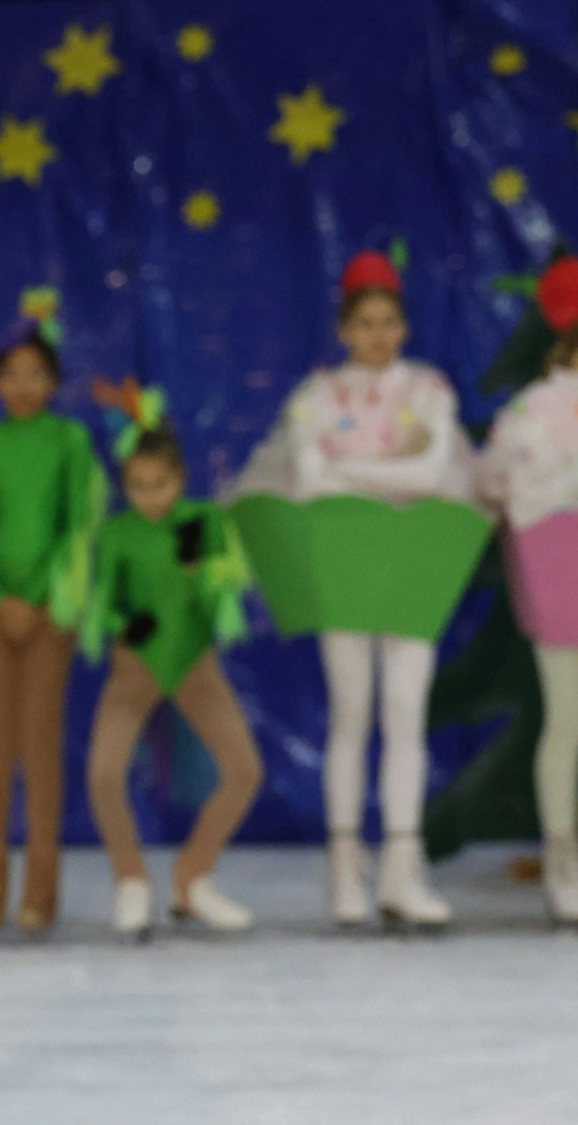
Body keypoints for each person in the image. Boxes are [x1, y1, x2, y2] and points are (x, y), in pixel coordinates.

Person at [230, 251, 480, 929]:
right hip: (343, 568)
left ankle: (403, 866)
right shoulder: (318, 395)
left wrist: (354, 471)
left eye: (389, 321)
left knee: (405, 711)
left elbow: (433, 474)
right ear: (345, 327)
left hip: (411, 568)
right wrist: (388, 471)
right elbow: (307, 478)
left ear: (403, 325)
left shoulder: (429, 390)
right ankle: (346, 866)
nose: (378, 335)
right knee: (352, 711)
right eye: (364, 322)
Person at [0, 319, 106, 933]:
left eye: (37, 373)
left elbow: (77, 522)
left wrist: (35, 596)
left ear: (55, 381)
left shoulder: (70, 441)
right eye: (12, 373)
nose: (24, 384)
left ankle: (41, 894)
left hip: (50, 611)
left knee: (40, 748)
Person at [81, 381, 264, 938]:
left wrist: (200, 572)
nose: (150, 496)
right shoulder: (117, 533)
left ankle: (193, 877)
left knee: (244, 769)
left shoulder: (204, 522)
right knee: (104, 773)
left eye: (160, 484)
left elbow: (226, 599)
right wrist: (121, 624)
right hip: (135, 665)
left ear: (180, 479)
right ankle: (131, 879)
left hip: (193, 662)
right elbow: (102, 603)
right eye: (137, 486)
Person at [479, 256, 578, 925]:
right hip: (560, 568)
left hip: (553, 559)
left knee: (568, 720)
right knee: (567, 718)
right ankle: (563, 858)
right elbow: (498, 487)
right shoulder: (535, 411)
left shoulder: (530, 411)